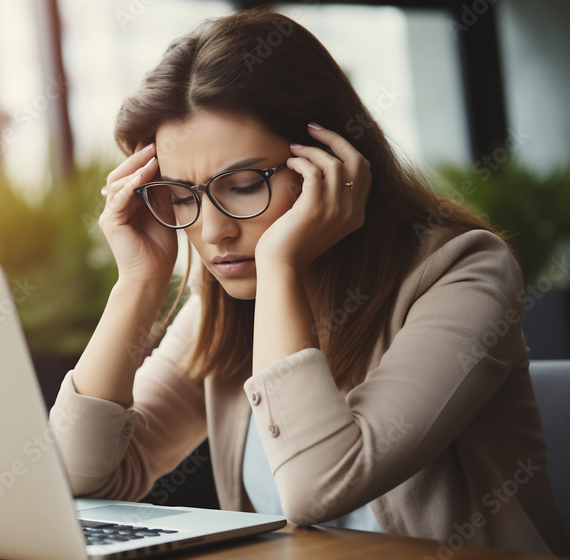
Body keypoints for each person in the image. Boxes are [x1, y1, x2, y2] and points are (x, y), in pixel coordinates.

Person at [48, 8, 569, 556]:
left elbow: (317, 488)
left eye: (244, 185)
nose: (213, 231)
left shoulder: (463, 272)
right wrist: (138, 281)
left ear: (331, 162)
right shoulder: (225, 305)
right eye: (180, 196)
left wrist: (281, 263)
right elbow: (78, 478)